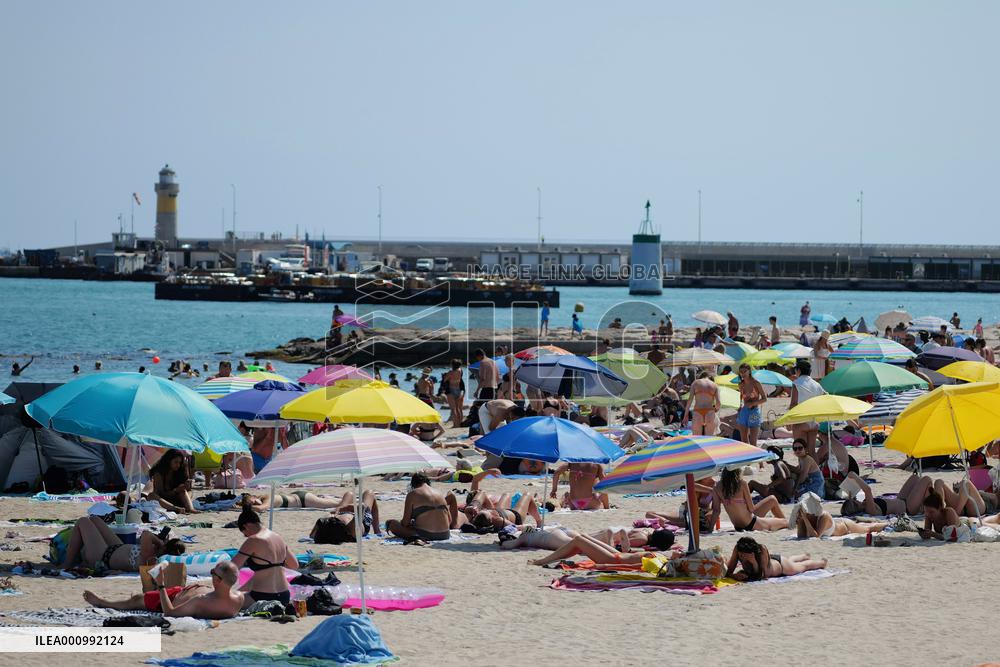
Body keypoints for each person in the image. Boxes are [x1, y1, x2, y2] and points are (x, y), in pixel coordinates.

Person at [84, 561, 244, 619]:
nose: (211, 574)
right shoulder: (239, 598)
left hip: (174, 598)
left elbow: (169, 612)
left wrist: (160, 585)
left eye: (212, 572)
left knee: (137, 600)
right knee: (141, 596)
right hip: (187, 590)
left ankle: (102, 602)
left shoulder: (201, 602)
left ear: (218, 580)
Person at [59, 515, 185, 571]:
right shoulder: (151, 554)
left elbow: (146, 534)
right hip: (115, 548)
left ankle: (67, 563)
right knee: (94, 519)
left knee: (82, 521)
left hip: (102, 556)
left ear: (164, 549)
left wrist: (159, 541)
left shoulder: (150, 558)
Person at [230, 505, 299, 606]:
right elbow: (294, 565)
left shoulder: (253, 540)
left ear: (246, 526)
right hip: (284, 595)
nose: (246, 536)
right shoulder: (278, 537)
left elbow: (231, 568)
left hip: (262, 596)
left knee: (225, 603)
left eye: (245, 534)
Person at [527, 532, 672, 567]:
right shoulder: (662, 557)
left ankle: (543, 561)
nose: (679, 553)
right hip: (617, 555)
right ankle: (545, 560)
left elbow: (634, 566)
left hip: (613, 559)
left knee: (578, 540)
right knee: (581, 537)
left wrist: (606, 565)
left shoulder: (661, 560)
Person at [710, 468, 786, 532]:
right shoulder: (742, 483)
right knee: (783, 519)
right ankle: (786, 523)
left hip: (738, 526)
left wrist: (710, 529)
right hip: (751, 523)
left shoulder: (717, 487)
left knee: (772, 502)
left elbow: (716, 511)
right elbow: (751, 509)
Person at [385, 473, 453, 542]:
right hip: (445, 534)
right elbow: (450, 520)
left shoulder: (412, 494)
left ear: (413, 484)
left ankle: (417, 537)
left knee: (391, 524)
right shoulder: (439, 492)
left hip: (426, 535)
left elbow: (405, 523)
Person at [724, 536, 827, 581]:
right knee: (791, 561)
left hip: (780, 566)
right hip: (772, 561)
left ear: (751, 553)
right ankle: (804, 556)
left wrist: (753, 561)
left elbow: (763, 575)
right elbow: (728, 571)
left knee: (803, 566)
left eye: (743, 555)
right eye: (740, 554)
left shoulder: (761, 550)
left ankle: (822, 563)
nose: (741, 557)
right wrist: (734, 576)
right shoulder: (738, 549)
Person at [790, 492, 887, 538]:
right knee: (865, 525)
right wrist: (801, 522)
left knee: (869, 529)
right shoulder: (805, 517)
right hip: (838, 524)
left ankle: (888, 524)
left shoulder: (824, 516)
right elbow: (801, 536)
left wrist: (805, 520)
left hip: (846, 526)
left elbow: (815, 536)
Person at [839, 471, 934, 517]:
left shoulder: (864, 504)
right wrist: (854, 476)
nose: (856, 500)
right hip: (908, 508)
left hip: (901, 499)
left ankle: (922, 505)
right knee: (927, 480)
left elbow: (853, 497)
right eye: (855, 502)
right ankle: (926, 509)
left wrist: (850, 495)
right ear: (856, 508)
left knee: (915, 477)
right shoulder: (869, 509)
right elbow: (867, 490)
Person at [308, 490, 381, 543]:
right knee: (369, 493)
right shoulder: (352, 531)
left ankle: (377, 530)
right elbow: (362, 507)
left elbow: (312, 535)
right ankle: (377, 530)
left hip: (344, 514)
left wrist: (335, 513)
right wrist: (347, 507)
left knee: (349, 494)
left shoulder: (325, 526)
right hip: (362, 519)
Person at [789, 361, 826, 459]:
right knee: (812, 451)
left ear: (798, 370)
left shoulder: (796, 383)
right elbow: (825, 396)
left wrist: (788, 419)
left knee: (801, 452)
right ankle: (816, 473)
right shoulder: (816, 384)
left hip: (801, 420)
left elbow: (793, 404)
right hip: (814, 421)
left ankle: (805, 473)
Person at [148, 450, 199, 514]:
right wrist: (175, 491)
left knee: (185, 492)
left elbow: (185, 491)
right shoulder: (159, 473)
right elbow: (160, 493)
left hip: (176, 499)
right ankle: (176, 509)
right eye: (176, 462)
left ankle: (191, 509)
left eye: (180, 463)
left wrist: (186, 486)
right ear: (168, 461)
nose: (178, 465)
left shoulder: (179, 471)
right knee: (151, 495)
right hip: (163, 501)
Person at [735, 363, 766, 448]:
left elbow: (764, 399)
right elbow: (742, 398)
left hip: (754, 411)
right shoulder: (741, 384)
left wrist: (753, 403)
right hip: (744, 411)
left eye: (745, 371)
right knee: (744, 441)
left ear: (749, 371)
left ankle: (759, 461)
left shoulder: (756, 383)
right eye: (741, 372)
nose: (743, 373)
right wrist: (740, 406)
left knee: (753, 442)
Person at [682, 370, 721, 436]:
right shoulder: (715, 385)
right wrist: (716, 409)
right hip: (710, 412)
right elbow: (718, 403)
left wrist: (686, 415)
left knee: (697, 438)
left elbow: (690, 400)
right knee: (709, 440)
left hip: (698, 412)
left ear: (701, 377)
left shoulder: (695, 383)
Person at [440, 359, 466, 428]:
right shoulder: (460, 371)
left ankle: (455, 425)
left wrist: (444, 376)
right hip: (459, 390)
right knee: (459, 409)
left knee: (453, 409)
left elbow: (444, 380)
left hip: (451, 390)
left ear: (452, 365)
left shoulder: (450, 372)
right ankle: (460, 424)